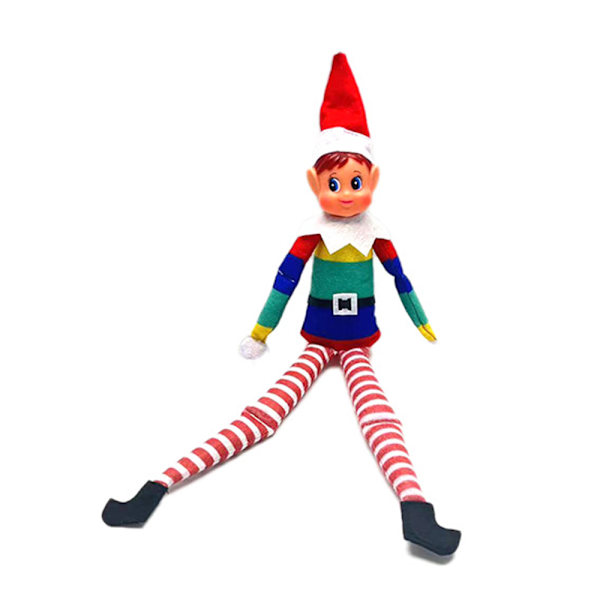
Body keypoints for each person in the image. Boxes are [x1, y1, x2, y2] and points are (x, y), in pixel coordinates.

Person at [102, 53, 461, 557]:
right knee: (266, 411)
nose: (345, 194)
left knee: (378, 414)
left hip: (358, 344)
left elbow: (401, 280)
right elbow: (283, 287)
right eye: (333, 184)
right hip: (316, 342)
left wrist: (421, 321)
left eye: (355, 182)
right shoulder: (310, 236)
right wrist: (261, 332)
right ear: (315, 185)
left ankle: (416, 509)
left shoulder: (376, 236)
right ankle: (155, 486)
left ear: (373, 181)